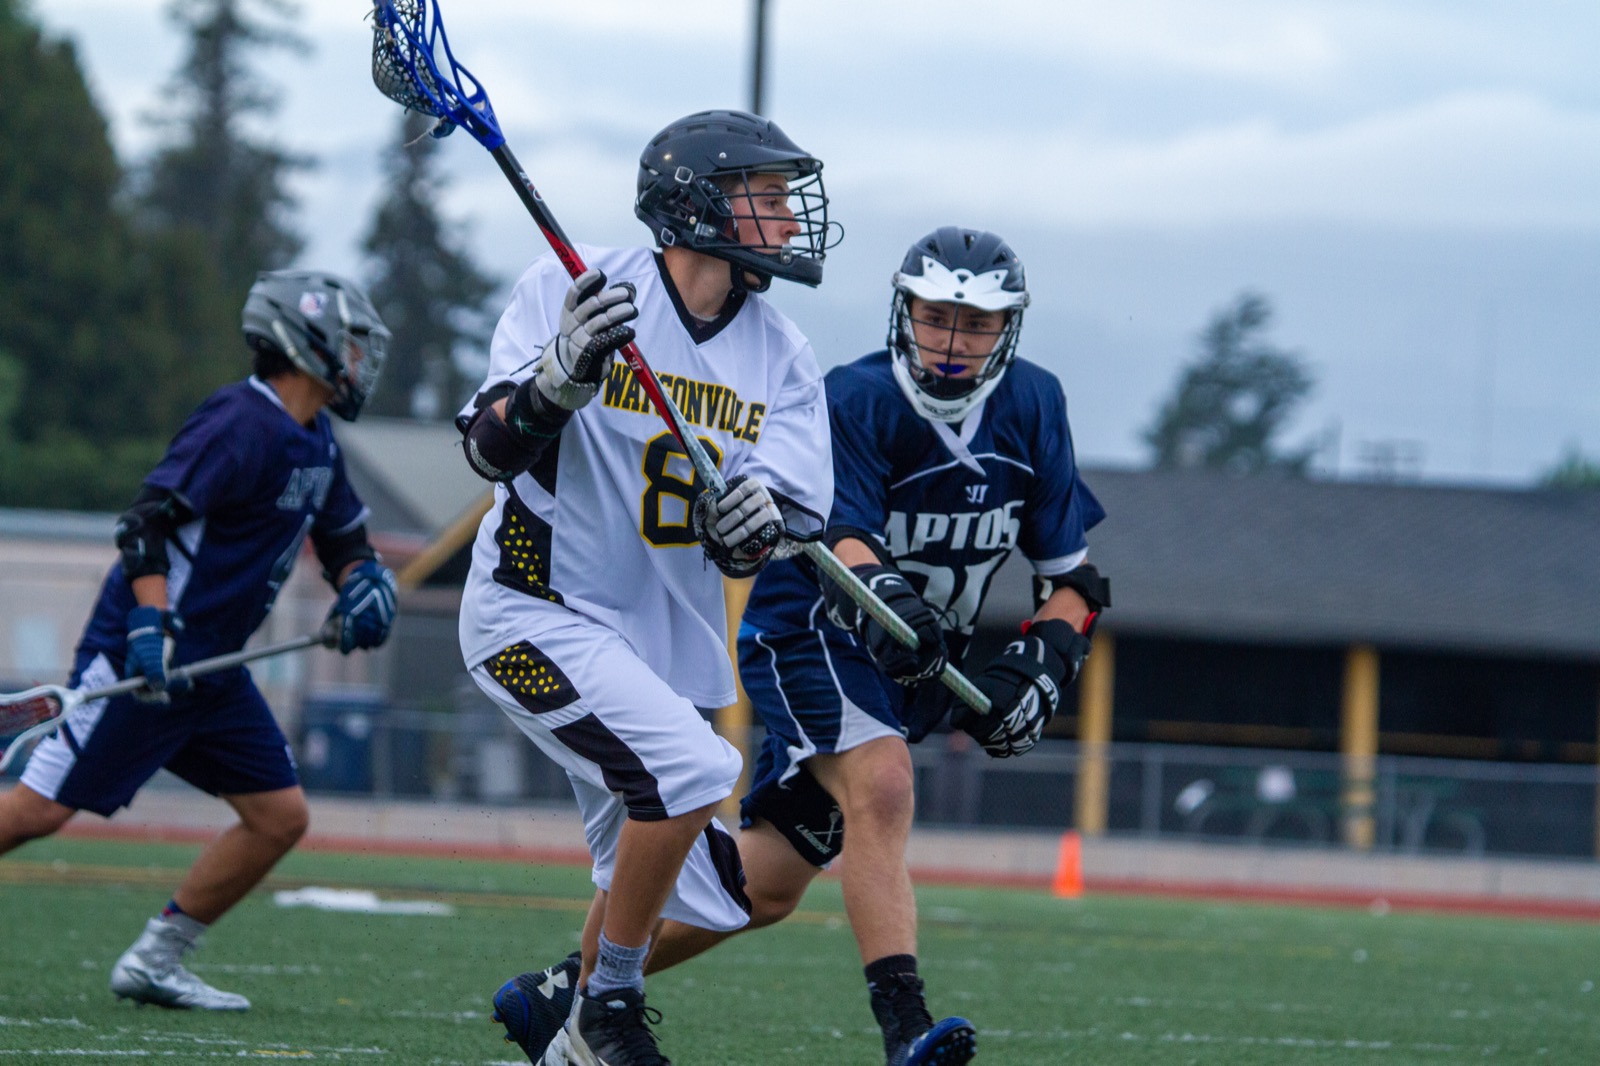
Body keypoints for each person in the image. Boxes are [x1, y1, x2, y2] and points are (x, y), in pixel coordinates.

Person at [498, 227, 1107, 1066]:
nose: (952, 342)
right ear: (905, 313)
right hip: (815, 626)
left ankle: (566, 991)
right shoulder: (855, 396)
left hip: (915, 658)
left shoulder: (1035, 403)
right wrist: (889, 593)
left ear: (1009, 328)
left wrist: (1043, 666)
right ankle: (906, 1029)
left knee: (766, 887)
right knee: (884, 787)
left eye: (975, 324)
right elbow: (837, 534)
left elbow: (1075, 579)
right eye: (936, 317)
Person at [467, 109, 837, 1066]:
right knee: (690, 775)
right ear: (695, 203)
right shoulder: (574, 285)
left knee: (718, 897)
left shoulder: (782, 355)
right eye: (766, 195)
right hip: (536, 613)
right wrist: (559, 377)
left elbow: (784, 524)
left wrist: (753, 527)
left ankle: (568, 1046)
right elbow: (487, 446)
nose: (791, 219)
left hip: (660, 651)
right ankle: (609, 1009)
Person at [0, 270, 400, 1011]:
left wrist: (363, 587)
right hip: (145, 656)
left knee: (280, 818)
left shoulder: (318, 441)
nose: (357, 361)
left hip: (214, 673)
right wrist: (149, 624)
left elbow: (344, 538)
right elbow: (145, 522)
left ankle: (155, 961)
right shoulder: (239, 423)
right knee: (34, 812)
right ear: (302, 340)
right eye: (349, 344)